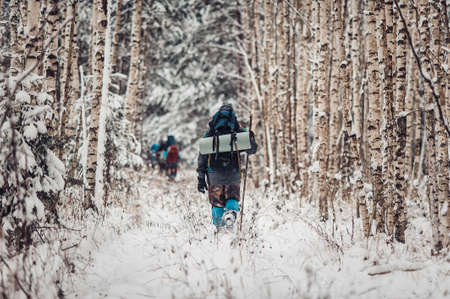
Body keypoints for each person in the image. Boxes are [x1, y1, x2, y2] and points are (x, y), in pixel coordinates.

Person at [196, 104, 257, 230]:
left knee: (217, 202)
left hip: (214, 174)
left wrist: (201, 179)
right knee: (232, 197)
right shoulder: (238, 131)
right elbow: (252, 150)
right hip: (233, 172)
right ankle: (230, 213)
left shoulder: (210, 133)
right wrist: (251, 138)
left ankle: (220, 229)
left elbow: (202, 157)